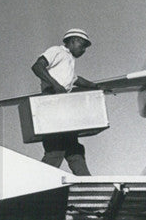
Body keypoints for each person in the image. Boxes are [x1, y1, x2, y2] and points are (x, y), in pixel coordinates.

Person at [31, 28, 101, 175]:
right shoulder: (57, 51)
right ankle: (39, 181)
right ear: (73, 40)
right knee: (56, 148)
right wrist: (55, 85)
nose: (83, 50)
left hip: (63, 107)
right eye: (82, 45)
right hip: (51, 102)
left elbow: (75, 79)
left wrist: (95, 86)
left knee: (73, 148)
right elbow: (37, 66)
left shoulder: (69, 60)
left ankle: (86, 181)